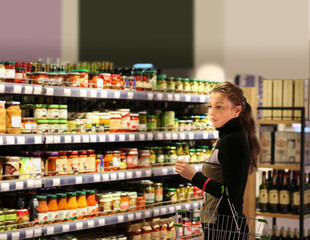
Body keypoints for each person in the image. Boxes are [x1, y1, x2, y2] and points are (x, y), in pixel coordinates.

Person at [175, 81, 261, 239]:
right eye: (209, 106)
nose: (211, 112)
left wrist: (194, 176)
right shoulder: (229, 137)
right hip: (219, 227)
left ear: (237, 110)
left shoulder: (232, 141)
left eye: (218, 106)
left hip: (225, 229)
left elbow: (230, 193)